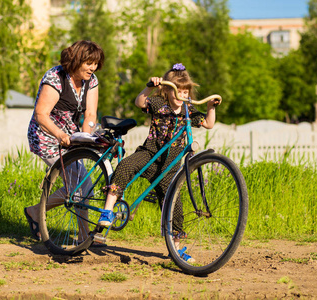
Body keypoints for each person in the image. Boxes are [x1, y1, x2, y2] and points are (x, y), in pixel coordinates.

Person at [98, 63, 219, 260]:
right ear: (166, 91)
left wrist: (210, 108)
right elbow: (139, 102)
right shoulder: (158, 104)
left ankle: (176, 248)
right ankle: (107, 211)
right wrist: (149, 87)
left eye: (185, 92)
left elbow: (209, 123)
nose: (181, 96)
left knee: (174, 205)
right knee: (125, 165)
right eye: (177, 91)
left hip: (170, 165)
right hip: (150, 153)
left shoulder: (189, 111)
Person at [24, 40, 105, 245]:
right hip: (47, 137)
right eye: (88, 63)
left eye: (95, 64)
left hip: (70, 139)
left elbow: (91, 114)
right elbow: (41, 114)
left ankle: (35, 212)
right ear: (76, 60)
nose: (92, 68)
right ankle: (85, 235)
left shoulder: (91, 81)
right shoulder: (56, 77)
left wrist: (85, 138)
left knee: (81, 184)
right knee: (82, 183)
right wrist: (60, 135)